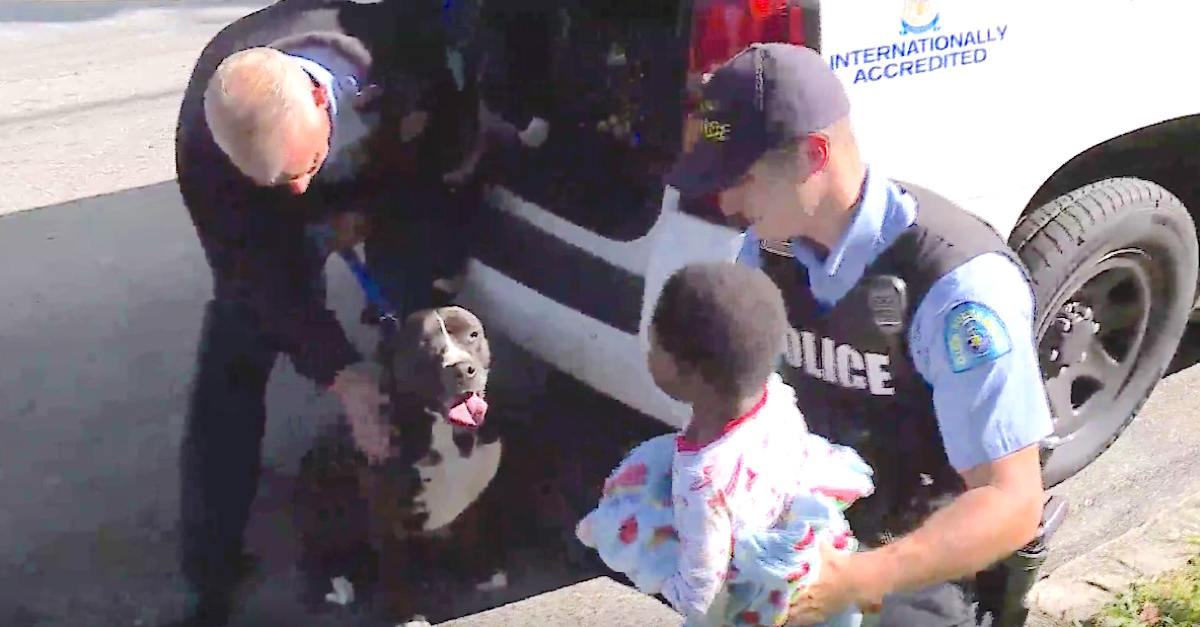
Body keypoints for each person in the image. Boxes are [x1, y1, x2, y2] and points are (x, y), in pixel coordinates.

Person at [663, 43, 1056, 627]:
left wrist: (858, 579)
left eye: (741, 179)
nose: (726, 201)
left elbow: (1013, 502)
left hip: (924, 554)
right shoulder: (769, 248)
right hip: (813, 522)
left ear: (812, 156)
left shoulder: (956, 289)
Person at [173, 0, 487, 623]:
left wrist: (373, 214)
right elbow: (255, 275)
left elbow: (446, 143)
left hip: (385, 179)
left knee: (414, 321)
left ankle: (431, 499)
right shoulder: (206, 148)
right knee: (238, 344)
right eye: (280, 180)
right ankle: (211, 569)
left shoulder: (392, 46)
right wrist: (340, 373)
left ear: (322, 101)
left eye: (305, 169)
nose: (297, 189)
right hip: (266, 226)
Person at [576, 261, 876, 627]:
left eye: (654, 346)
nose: (648, 352)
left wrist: (649, 562)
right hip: (787, 539)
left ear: (688, 373)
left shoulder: (701, 481)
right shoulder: (776, 395)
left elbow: (701, 596)